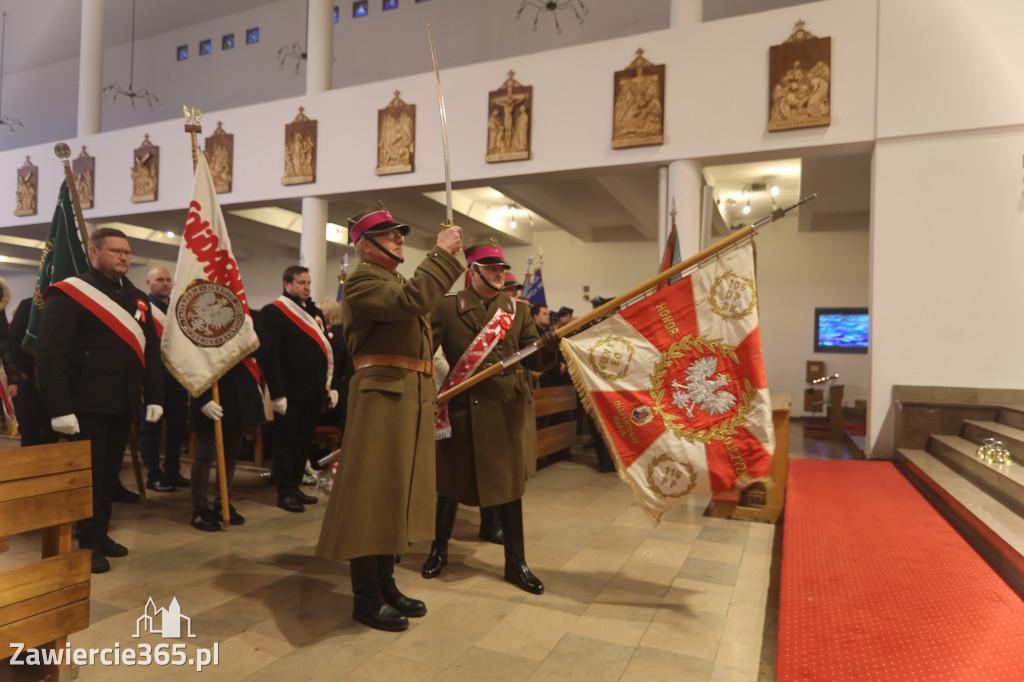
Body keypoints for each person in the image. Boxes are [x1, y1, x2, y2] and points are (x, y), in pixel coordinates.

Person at [316, 201, 463, 632]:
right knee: (373, 494)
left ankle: (385, 582)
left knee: (396, 492)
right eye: (391, 234)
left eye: (401, 233)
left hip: (408, 395)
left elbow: (417, 301)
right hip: (382, 396)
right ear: (365, 245)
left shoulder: (390, 277)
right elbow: (412, 299)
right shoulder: (362, 280)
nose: (401, 239)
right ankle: (365, 595)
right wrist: (441, 255)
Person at [424, 238, 559, 594]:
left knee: (510, 491)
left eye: (501, 268)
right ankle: (438, 551)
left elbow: (533, 359)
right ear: (474, 271)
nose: (500, 274)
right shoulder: (447, 307)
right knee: (449, 487)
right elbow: (423, 353)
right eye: (492, 268)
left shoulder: (517, 311)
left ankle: (517, 563)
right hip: (463, 410)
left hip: (505, 413)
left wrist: (548, 347)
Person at [36, 227, 164, 573]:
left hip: (122, 402)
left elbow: (150, 351)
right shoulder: (70, 294)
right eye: (116, 251)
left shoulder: (136, 297)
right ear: (94, 253)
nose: (124, 257)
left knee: (109, 475)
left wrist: (154, 395)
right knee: (88, 477)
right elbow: (50, 354)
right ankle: (88, 542)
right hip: (85, 404)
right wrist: (60, 408)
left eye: (127, 252)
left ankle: (100, 532)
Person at [258, 265, 337, 513]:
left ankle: (295, 486)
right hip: (289, 392)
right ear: (287, 284)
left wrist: (329, 386)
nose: (306, 287)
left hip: (313, 390)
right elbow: (270, 357)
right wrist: (278, 393)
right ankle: (285, 492)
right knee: (286, 443)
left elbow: (323, 351)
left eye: (309, 283)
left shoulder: (315, 312)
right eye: (301, 283)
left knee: (303, 443)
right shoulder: (273, 312)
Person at [189, 356, 265, 531]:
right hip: (209, 389)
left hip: (239, 389)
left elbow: (262, 346)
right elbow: (191, 359)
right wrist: (202, 397)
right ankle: (199, 508)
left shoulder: (247, 327)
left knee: (231, 453)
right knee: (205, 454)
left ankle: (222, 501)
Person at [137, 267, 190, 493]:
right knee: (151, 429)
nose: (165, 284)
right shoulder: (141, 308)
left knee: (178, 427)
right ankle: (153, 473)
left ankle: (172, 469)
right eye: (160, 280)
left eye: (168, 280)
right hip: (152, 378)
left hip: (177, 377)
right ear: (149, 283)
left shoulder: (178, 309)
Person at [9, 298, 58, 447]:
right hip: (29, 378)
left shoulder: (63, 303)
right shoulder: (28, 305)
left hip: (55, 380)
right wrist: (19, 369)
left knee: (52, 432)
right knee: (31, 430)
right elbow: (14, 338)